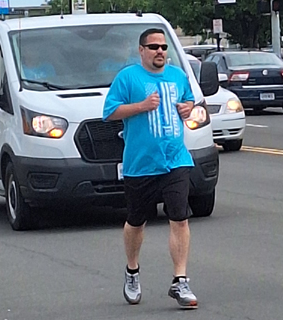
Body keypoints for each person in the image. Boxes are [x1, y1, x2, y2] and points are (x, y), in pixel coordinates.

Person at [102, 28, 203, 309]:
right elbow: (109, 112)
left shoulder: (177, 76)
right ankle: (132, 271)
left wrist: (187, 107)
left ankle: (180, 281)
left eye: (163, 47)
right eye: (154, 47)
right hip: (141, 164)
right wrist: (141, 106)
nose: (160, 51)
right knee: (136, 221)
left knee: (180, 218)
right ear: (142, 50)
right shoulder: (128, 77)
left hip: (175, 160)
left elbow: (188, 100)